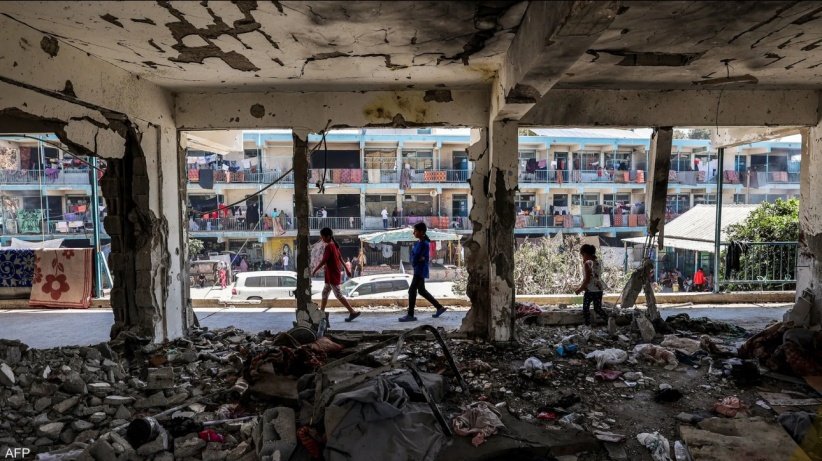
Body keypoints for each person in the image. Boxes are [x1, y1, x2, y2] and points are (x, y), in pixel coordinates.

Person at [399, 222, 447, 322]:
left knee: (412, 291)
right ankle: (439, 307)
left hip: (420, 270)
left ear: (421, 232)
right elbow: (416, 256)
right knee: (421, 291)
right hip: (418, 269)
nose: (413, 233)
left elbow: (421, 257)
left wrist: (417, 259)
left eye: (415, 231)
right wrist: (417, 259)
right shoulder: (420, 243)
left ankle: (410, 315)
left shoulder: (424, 244)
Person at [313, 228, 360, 322]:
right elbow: (340, 258)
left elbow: (324, 260)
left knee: (338, 294)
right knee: (325, 293)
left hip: (332, 275)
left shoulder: (329, 246)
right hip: (332, 274)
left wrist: (315, 270)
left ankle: (352, 312)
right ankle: (322, 313)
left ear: (328, 236)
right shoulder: (334, 245)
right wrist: (347, 269)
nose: (322, 239)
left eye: (322, 237)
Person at [574, 244, 607, 326]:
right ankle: (609, 320)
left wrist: (579, 290)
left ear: (585, 254)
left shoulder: (588, 263)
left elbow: (587, 280)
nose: (582, 257)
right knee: (597, 308)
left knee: (586, 309)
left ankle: (587, 325)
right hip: (599, 289)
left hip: (590, 290)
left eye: (582, 255)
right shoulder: (599, 262)